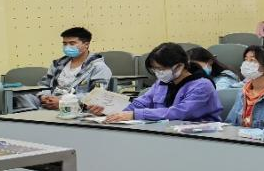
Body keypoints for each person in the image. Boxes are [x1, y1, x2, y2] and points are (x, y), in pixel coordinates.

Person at [92, 42, 222, 123]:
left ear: (179, 66)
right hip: (166, 132)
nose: (158, 73)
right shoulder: (163, 82)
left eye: (161, 69)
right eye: (154, 69)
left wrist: (135, 115)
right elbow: (141, 103)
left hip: (200, 136)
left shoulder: (202, 85)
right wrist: (111, 111)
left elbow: (180, 113)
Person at [32, 26, 114, 111]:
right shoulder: (57, 64)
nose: (67, 47)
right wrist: (44, 96)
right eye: (65, 43)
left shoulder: (99, 67)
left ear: (86, 44)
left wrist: (63, 102)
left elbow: (97, 96)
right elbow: (44, 84)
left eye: (72, 43)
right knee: (24, 97)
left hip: (76, 110)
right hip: (48, 106)